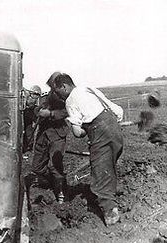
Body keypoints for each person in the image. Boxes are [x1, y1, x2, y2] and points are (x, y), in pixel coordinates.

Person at [53, 73, 124, 226]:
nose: (60, 97)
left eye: (59, 93)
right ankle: (112, 194)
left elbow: (78, 133)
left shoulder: (71, 100)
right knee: (108, 166)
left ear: (64, 87)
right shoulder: (88, 89)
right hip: (114, 127)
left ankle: (110, 214)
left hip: (100, 131)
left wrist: (72, 124)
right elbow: (117, 111)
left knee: (99, 172)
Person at [26, 72, 69, 204]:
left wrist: (50, 113)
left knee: (55, 166)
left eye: (53, 86)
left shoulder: (66, 99)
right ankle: (53, 182)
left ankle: (61, 193)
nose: (52, 88)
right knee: (37, 167)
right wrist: (39, 111)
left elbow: (68, 111)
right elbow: (36, 109)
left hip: (57, 133)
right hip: (43, 133)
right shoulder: (46, 97)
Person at [22, 85, 41, 153]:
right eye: (34, 94)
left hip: (30, 115)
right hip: (23, 114)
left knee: (29, 131)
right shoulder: (25, 96)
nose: (35, 97)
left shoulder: (37, 101)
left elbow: (35, 107)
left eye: (37, 95)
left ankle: (29, 146)